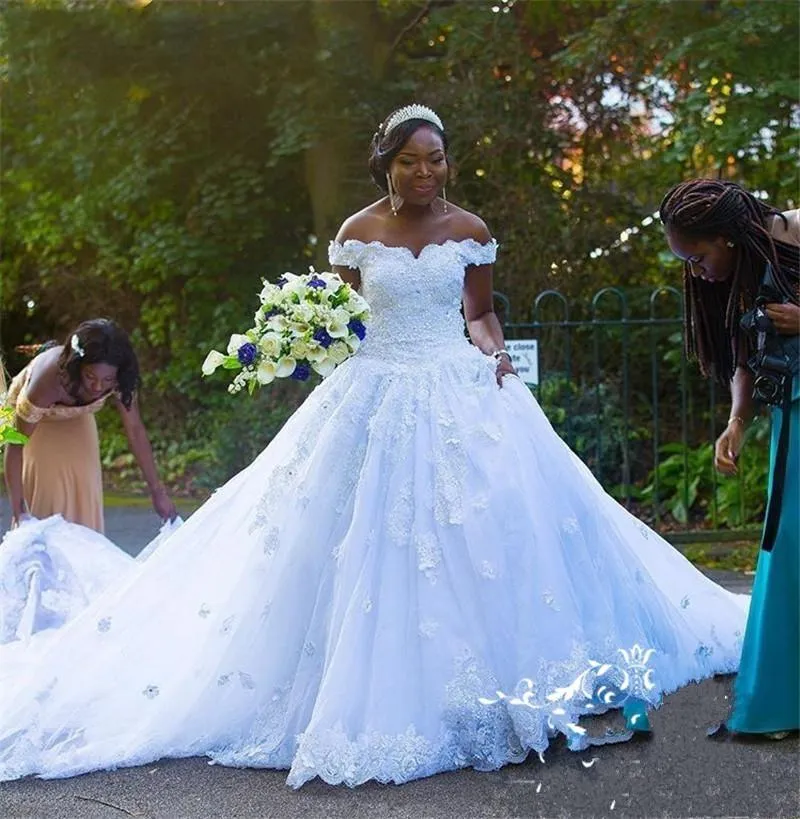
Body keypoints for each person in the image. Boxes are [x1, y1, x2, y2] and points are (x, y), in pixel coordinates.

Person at [0, 106, 748, 787]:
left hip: (458, 382)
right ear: (385, 164)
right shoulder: (356, 235)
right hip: (374, 391)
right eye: (410, 160)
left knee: (486, 531)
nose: (426, 172)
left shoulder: (471, 231)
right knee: (343, 539)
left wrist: (494, 352)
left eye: (437, 159)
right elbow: (349, 322)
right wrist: (302, 341)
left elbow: (480, 314)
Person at [660, 178, 799, 739]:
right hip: (793, 414)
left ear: (728, 236)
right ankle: (781, 704)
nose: (694, 271)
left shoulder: (795, 231)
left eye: (697, 257)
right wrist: (736, 421)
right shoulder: (735, 271)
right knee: (787, 547)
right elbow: (744, 350)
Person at [4, 318, 177, 531]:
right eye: (90, 376)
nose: (97, 386)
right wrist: (20, 512)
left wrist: (157, 492)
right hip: (39, 419)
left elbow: (135, 430)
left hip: (77, 416)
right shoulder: (49, 382)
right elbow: (15, 443)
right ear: (78, 367)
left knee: (84, 487)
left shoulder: (122, 379)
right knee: (51, 490)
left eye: (107, 380)